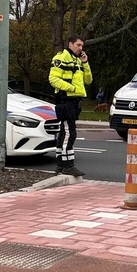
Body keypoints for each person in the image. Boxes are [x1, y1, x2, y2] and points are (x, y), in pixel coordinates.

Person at [49, 34, 93, 177]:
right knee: (69, 133)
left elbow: (88, 81)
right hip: (66, 99)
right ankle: (68, 165)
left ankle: (61, 166)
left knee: (64, 132)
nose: (81, 48)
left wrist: (85, 63)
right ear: (70, 44)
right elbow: (53, 79)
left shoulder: (78, 60)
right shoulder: (61, 58)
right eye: (78, 45)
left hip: (74, 101)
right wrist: (71, 88)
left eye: (82, 46)